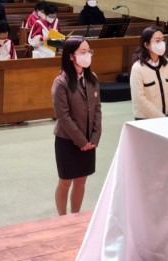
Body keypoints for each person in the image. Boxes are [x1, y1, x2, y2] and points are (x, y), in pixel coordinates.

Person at [51, 35, 101, 215]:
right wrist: (81, 141)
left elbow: (97, 109)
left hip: (89, 140)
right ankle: (62, 219)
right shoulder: (61, 82)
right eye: (83, 52)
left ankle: (75, 217)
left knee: (81, 180)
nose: (88, 55)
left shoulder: (92, 78)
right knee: (65, 181)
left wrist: (95, 137)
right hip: (68, 140)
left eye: (89, 51)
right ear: (71, 56)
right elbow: (63, 117)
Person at [130, 26, 168, 119]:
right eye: (157, 41)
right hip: (147, 119)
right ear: (147, 45)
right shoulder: (137, 68)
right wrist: (161, 118)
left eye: (162, 40)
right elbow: (139, 100)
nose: (162, 43)